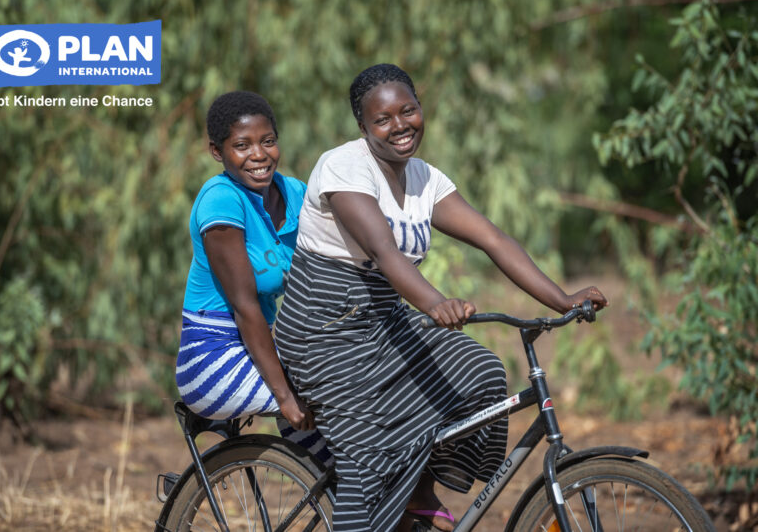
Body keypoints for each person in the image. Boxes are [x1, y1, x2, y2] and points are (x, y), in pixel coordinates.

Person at [274, 64, 608, 532]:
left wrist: (562, 299)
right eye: (383, 119)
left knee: (483, 373)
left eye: (408, 110)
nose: (400, 126)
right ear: (363, 128)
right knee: (368, 462)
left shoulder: (425, 178)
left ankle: (417, 488)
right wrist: (434, 303)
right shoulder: (344, 167)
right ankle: (385, 499)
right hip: (326, 334)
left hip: (385, 324)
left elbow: (492, 238)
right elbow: (383, 252)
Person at [175, 91, 331, 465]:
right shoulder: (221, 200)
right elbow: (245, 308)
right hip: (213, 359)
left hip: (263, 349)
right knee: (331, 396)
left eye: (268, 141)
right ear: (217, 151)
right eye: (242, 145)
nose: (259, 155)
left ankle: (348, 499)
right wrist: (284, 397)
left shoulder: (295, 193)